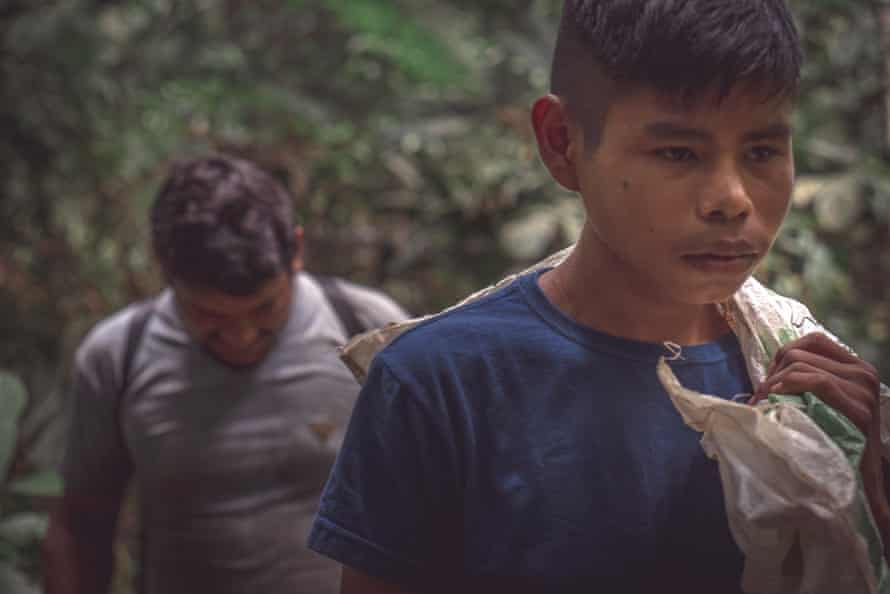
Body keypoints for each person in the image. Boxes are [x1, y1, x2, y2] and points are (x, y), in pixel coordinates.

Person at [307, 1, 889, 592]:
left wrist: (870, 488)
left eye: (761, 151)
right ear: (562, 143)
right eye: (678, 153)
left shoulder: (806, 376)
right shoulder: (444, 382)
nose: (730, 199)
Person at [43, 155, 409, 594]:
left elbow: (430, 502)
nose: (242, 335)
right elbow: (80, 527)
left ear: (296, 250)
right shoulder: (118, 356)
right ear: (164, 266)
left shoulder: (367, 328)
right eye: (208, 314)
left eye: (264, 308)